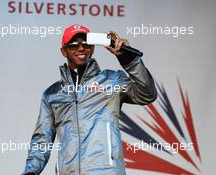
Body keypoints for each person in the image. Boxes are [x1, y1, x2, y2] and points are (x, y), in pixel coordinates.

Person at [22, 24, 157, 175]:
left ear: (92, 48)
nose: (80, 48)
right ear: (63, 51)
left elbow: (147, 94)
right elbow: (42, 140)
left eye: (86, 44)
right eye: (73, 45)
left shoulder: (112, 81)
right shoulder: (52, 94)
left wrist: (128, 58)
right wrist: (30, 172)